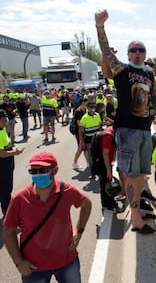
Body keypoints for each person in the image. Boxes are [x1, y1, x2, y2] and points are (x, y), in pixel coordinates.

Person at [95, 9, 156, 234]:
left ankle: (136, 210)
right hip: (127, 131)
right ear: (128, 54)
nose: (137, 53)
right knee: (132, 176)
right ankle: (135, 219)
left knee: (141, 174)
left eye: (141, 49)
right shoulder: (122, 70)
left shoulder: (149, 74)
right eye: (133, 50)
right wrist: (100, 26)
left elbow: (155, 100)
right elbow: (104, 50)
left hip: (144, 130)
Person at [2, 151, 92, 282]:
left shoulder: (66, 191)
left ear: (55, 171)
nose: (38, 175)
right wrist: (19, 262)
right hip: (34, 268)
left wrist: (79, 231)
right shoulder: (19, 199)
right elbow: (8, 232)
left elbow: (87, 205)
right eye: (33, 171)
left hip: (67, 262)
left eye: (43, 170)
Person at [0, 109, 23, 217]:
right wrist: (15, 152)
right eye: (4, 120)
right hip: (2, 166)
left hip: (7, 164)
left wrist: (12, 148)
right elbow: (2, 154)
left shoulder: (2, 129)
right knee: (5, 191)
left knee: (6, 188)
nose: (6, 122)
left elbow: (7, 144)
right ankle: (9, 216)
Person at [79, 101, 102, 178]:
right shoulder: (84, 118)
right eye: (91, 107)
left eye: (93, 107)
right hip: (89, 140)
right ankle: (93, 173)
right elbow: (80, 130)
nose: (93, 108)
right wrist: (82, 141)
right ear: (87, 108)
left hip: (98, 139)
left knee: (99, 155)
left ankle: (99, 170)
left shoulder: (97, 115)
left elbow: (100, 126)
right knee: (91, 157)